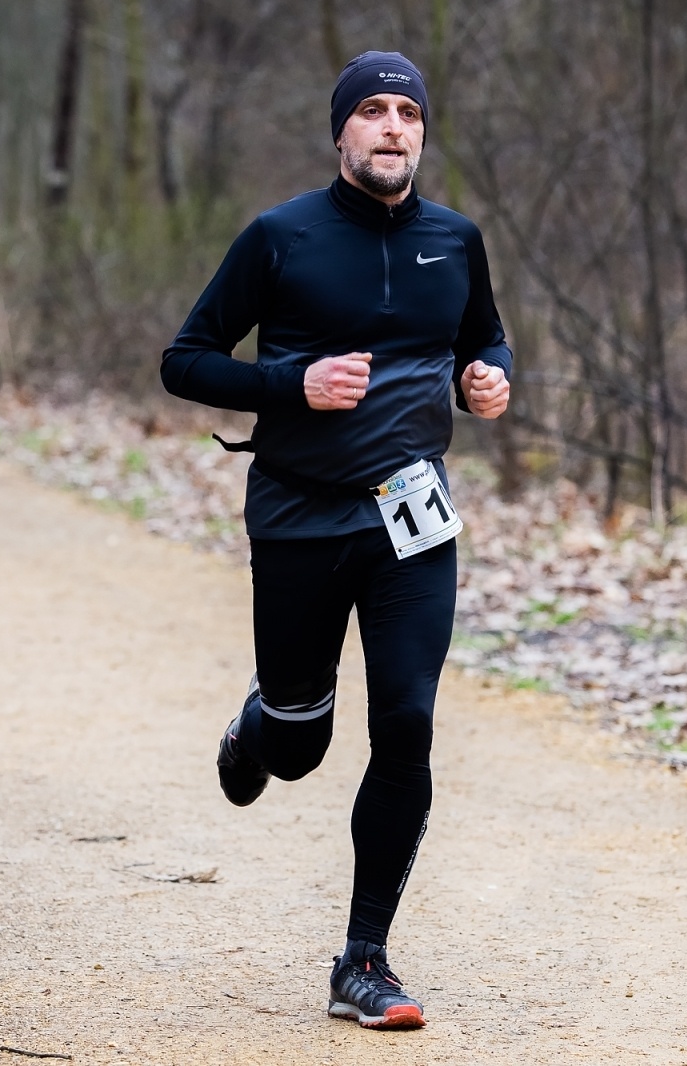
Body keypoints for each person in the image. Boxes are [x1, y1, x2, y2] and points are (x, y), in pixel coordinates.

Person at [161, 51, 511, 1031]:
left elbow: (485, 336)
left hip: (411, 520)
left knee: (405, 724)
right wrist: (290, 384)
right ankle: (261, 722)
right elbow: (184, 361)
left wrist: (487, 375)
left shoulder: (456, 240)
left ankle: (364, 960)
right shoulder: (281, 237)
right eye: (373, 111)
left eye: (408, 112)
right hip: (300, 512)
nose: (392, 127)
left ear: (421, 133)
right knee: (301, 741)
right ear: (341, 132)